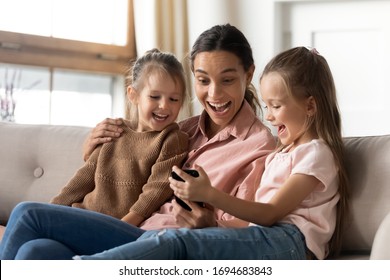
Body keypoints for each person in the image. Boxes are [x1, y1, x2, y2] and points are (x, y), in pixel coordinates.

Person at [0, 24, 275, 260]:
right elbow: (131, 153)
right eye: (203, 80)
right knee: (35, 252)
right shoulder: (184, 129)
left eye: (227, 80)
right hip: (129, 235)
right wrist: (91, 149)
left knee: (28, 213)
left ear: (248, 75)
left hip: (160, 244)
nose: (214, 93)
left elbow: (251, 230)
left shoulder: (259, 146)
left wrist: (209, 223)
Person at [74, 46, 349, 260]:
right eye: (267, 106)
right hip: (268, 237)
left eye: (276, 106)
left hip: (288, 242)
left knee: (173, 241)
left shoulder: (316, 153)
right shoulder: (283, 152)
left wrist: (209, 195)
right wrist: (94, 150)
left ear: (310, 106)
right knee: (159, 241)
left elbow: (269, 214)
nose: (270, 116)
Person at [50, 49, 189, 226]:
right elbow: (80, 182)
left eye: (174, 99)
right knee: (33, 245)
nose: (164, 105)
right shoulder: (114, 130)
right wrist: (50, 211)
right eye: (155, 96)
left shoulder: (172, 139)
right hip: (82, 216)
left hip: (116, 228)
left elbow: (155, 192)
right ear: (133, 95)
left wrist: (119, 229)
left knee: (26, 213)